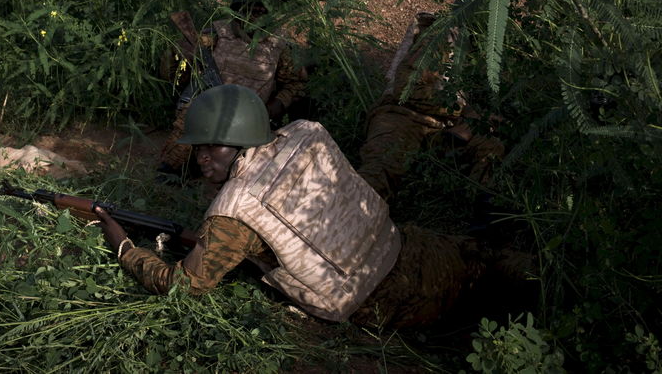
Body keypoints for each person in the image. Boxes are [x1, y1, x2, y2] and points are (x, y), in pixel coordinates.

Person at [95, 84, 498, 329]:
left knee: (489, 302)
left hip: (386, 301)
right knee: (497, 265)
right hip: (407, 245)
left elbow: (181, 287)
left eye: (212, 146)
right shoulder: (304, 134)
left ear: (239, 141)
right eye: (198, 147)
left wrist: (122, 244)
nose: (201, 157)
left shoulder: (234, 210)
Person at [158, 0, 307, 177]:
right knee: (187, 131)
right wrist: (177, 53)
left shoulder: (279, 44)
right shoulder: (217, 33)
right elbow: (173, 74)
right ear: (237, 8)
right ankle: (175, 168)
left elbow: (297, 83)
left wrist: (277, 104)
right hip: (208, 108)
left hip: (249, 119)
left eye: (263, 7)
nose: (258, 11)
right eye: (251, 6)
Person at [357, 12, 505, 201]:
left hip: (439, 128)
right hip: (402, 118)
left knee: (490, 148)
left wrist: (476, 117)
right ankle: (336, 219)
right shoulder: (441, 37)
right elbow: (407, 89)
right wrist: (460, 112)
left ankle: (484, 216)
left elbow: (457, 95)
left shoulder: (472, 48)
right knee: (378, 176)